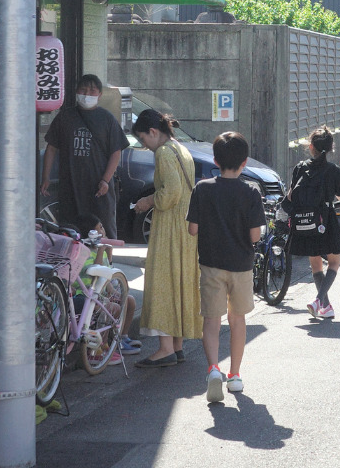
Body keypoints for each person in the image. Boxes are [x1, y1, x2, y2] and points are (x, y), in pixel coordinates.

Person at [186, 131, 267, 403]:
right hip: (241, 265)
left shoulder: (202, 188)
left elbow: (192, 229)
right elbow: (255, 236)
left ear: (215, 161)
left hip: (210, 263)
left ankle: (212, 370)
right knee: (237, 319)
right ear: (244, 162)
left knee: (211, 320)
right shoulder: (251, 192)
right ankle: (234, 375)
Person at [129, 108, 201, 366]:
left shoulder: (163, 153)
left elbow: (169, 193)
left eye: (143, 139)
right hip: (185, 226)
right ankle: (177, 345)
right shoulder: (181, 148)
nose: (144, 146)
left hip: (169, 226)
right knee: (180, 281)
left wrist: (147, 200)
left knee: (163, 282)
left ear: (153, 132)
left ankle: (165, 349)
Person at [40, 74, 128, 238]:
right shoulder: (65, 117)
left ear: (100, 95)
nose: (87, 94)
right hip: (70, 187)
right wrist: (45, 177)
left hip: (98, 189)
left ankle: (105, 263)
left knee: (103, 232)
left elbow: (116, 151)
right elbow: (51, 147)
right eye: (83, 90)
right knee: (70, 231)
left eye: (92, 91)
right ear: (76, 91)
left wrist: (106, 180)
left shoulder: (107, 119)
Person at [282, 126, 340, 319]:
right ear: (329, 149)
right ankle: (319, 299)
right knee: (335, 261)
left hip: (304, 222)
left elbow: (291, 194)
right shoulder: (333, 170)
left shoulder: (300, 168)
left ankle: (326, 307)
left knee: (315, 264)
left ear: (311, 147)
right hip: (325, 219)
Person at [73, 213, 141, 363]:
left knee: (129, 301)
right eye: (99, 229)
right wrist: (101, 251)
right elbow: (96, 273)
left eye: (102, 227)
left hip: (100, 292)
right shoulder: (83, 253)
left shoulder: (101, 251)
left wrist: (115, 292)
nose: (103, 231)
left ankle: (122, 338)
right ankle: (99, 348)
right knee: (112, 308)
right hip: (84, 293)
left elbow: (107, 274)